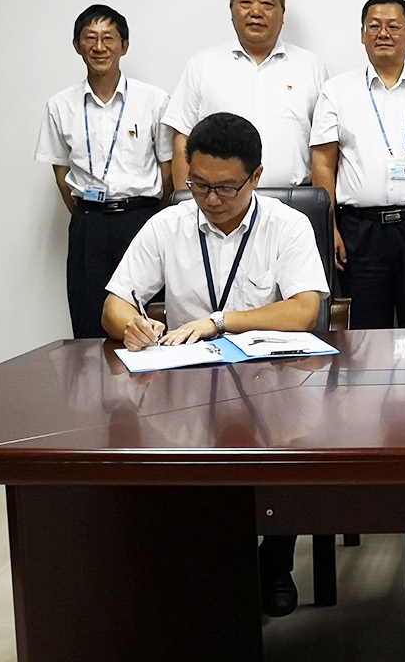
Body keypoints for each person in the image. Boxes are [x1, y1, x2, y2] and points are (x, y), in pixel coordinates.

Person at [101, 112, 331, 618]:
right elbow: (115, 303)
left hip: (273, 383)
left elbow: (304, 310)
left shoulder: (287, 225)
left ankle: (276, 564)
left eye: (226, 188)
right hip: (189, 384)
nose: (211, 199)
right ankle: (204, 568)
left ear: (256, 176)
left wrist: (221, 321)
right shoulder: (167, 225)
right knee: (172, 453)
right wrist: (131, 324)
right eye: (199, 184)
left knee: (289, 442)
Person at [311, 0, 405, 328]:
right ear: (362, 34)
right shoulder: (337, 91)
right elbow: (323, 164)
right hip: (360, 230)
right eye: (374, 26)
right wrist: (330, 228)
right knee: (365, 329)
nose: (383, 33)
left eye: (393, 26)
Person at [34, 4, 172, 338]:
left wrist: (152, 215)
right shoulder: (60, 105)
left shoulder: (153, 100)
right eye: (90, 38)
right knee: (89, 319)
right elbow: (61, 173)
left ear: (124, 45)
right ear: (77, 45)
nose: (99, 47)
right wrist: (88, 213)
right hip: (89, 224)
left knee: (149, 318)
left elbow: (167, 169)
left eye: (108, 38)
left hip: (141, 220)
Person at [162, 0, 328, 191]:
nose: (256, 12)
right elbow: (182, 137)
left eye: (267, 4)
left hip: (296, 199)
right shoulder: (202, 65)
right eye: (246, 3)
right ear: (232, 10)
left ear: (282, 13)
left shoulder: (311, 67)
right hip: (220, 199)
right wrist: (187, 200)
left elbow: (325, 146)